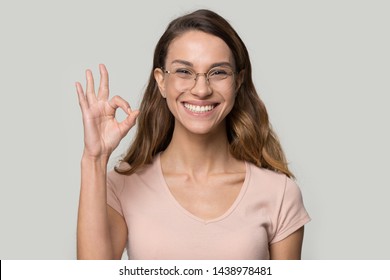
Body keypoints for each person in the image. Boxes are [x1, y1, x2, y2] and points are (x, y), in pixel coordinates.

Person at [76, 9, 310, 260]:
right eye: (184, 71)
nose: (201, 89)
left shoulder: (279, 193)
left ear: (238, 81)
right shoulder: (122, 186)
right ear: (161, 81)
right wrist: (94, 158)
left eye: (218, 72)